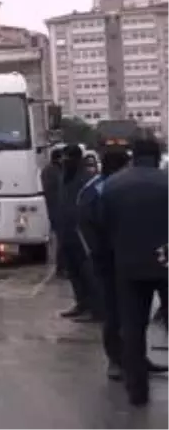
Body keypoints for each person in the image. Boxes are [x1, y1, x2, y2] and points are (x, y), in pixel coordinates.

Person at [78, 147, 169, 381]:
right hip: (109, 263)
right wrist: (101, 258)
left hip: (129, 260)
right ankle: (116, 361)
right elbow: (89, 227)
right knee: (114, 314)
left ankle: (137, 361)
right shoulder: (99, 189)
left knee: (134, 316)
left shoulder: (117, 185)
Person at [98, 137, 169, 406]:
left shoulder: (113, 186)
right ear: (158, 155)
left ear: (133, 155)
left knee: (132, 330)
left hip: (127, 266)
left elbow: (101, 230)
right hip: (166, 263)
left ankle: (137, 392)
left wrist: (107, 263)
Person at [57, 144, 101, 322]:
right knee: (73, 272)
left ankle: (96, 309)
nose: (64, 161)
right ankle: (81, 303)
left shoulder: (87, 179)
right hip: (66, 233)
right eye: (63, 158)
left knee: (88, 273)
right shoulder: (64, 177)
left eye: (68, 158)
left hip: (82, 235)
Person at [41, 147, 65, 276]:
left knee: (60, 238)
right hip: (56, 208)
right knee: (61, 239)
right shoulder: (53, 171)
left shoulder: (50, 170)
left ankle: (62, 267)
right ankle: (61, 268)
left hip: (55, 207)